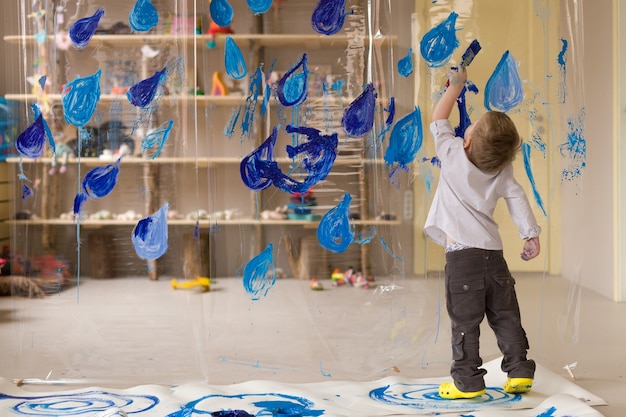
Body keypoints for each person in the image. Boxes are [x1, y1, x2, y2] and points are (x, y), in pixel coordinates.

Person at [424, 65, 541, 399]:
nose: (468, 124)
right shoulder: (503, 171)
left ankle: (467, 381)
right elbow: (517, 198)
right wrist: (529, 234)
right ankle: (519, 372)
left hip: (462, 259)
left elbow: (438, 119)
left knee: (465, 323)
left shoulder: (451, 154)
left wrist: (455, 87)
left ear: (468, 140)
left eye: (472, 125)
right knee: (505, 315)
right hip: (494, 256)